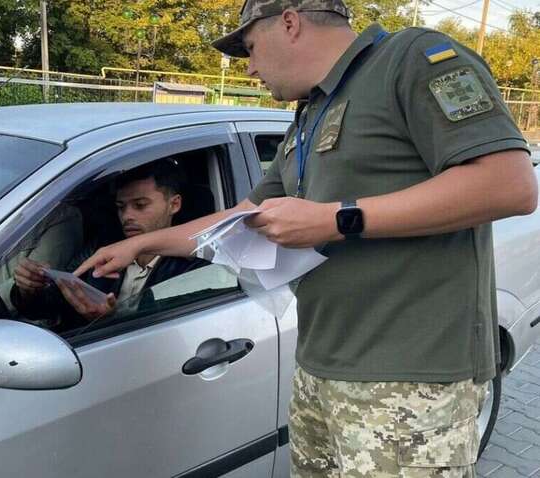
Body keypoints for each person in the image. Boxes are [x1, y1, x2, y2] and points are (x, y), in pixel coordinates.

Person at [75, 1, 538, 476]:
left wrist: (337, 219)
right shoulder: (312, 112)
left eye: (251, 48)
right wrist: (140, 245)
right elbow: (241, 218)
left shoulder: (412, 59)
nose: (250, 67)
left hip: (408, 380)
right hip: (321, 367)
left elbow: (508, 185)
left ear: (290, 22)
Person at [11, 159, 208, 331]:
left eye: (140, 205)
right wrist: (29, 290)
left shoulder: (194, 262)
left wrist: (109, 321)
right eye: (121, 207)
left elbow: (175, 332)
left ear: (174, 205)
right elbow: (53, 304)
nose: (127, 216)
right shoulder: (103, 248)